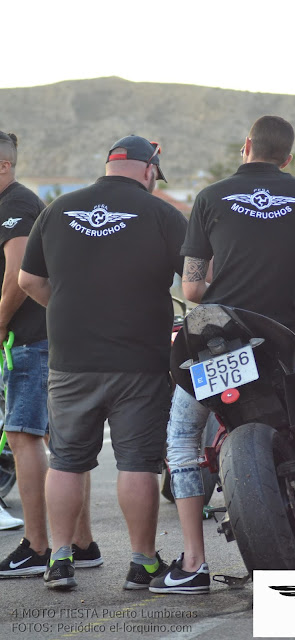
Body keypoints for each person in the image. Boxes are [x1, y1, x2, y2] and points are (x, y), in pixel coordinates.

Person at [148, 116, 295, 595]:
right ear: (287, 157)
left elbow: (192, 289)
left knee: (182, 440)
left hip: (218, 337)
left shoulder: (209, 197)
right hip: (278, 335)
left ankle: (193, 563)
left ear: (246, 146)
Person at [19, 135, 188, 591]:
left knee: (67, 461)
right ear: (150, 171)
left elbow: (29, 279)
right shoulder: (162, 214)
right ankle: (142, 563)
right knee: (137, 463)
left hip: (71, 359)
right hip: (140, 361)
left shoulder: (57, 210)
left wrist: (70, 311)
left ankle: (59, 560)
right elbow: (198, 280)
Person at [0, 132, 100, 577]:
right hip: (41, 338)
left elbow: (17, 275)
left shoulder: (17, 205)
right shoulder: (14, 203)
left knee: (24, 436)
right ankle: (82, 544)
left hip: (31, 339)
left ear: (4, 165)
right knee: (60, 444)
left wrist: (0, 321)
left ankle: (38, 546)